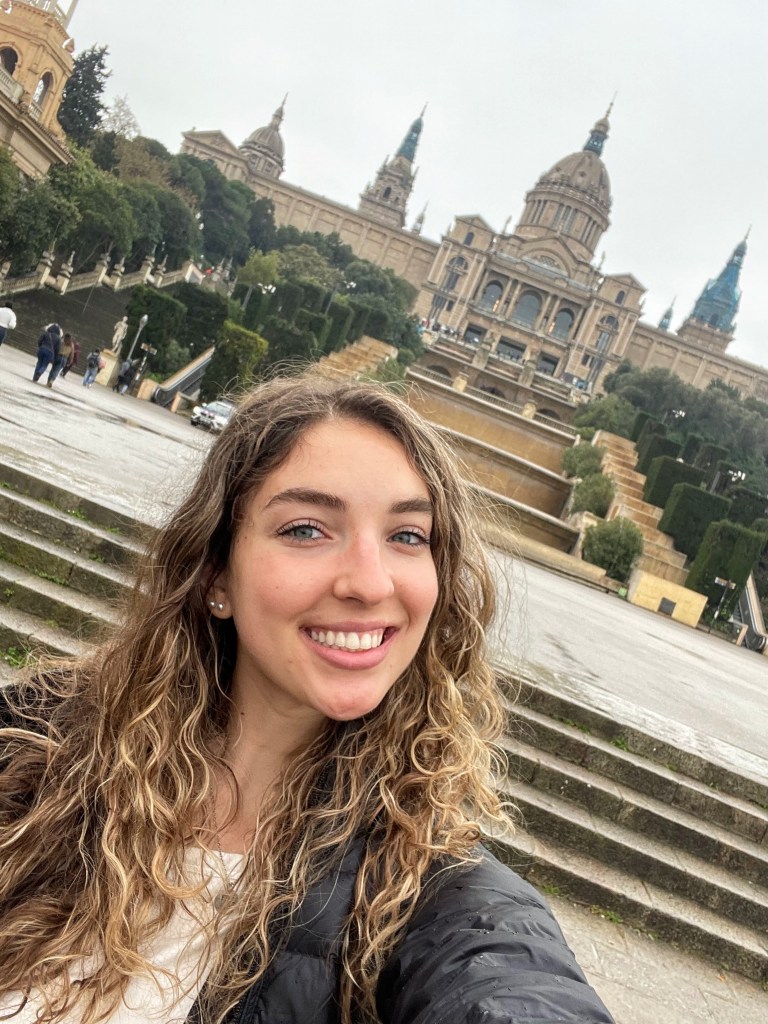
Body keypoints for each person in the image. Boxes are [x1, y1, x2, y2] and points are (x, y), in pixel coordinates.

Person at [0, 375, 614, 1024]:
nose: (370, 583)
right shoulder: (36, 738)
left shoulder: (445, 902)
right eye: (305, 529)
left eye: (408, 536)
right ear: (216, 576)